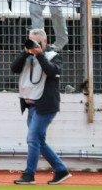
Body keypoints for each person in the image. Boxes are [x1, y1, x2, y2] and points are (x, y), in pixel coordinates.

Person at [11, 28, 71, 186]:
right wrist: (25, 53)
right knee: (39, 141)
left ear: (44, 42)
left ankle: (29, 174)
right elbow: (14, 68)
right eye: (30, 41)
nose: (33, 45)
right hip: (31, 106)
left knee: (32, 139)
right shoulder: (27, 56)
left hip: (46, 106)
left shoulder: (53, 56)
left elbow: (52, 71)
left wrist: (39, 54)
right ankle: (61, 170)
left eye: (36, 42)